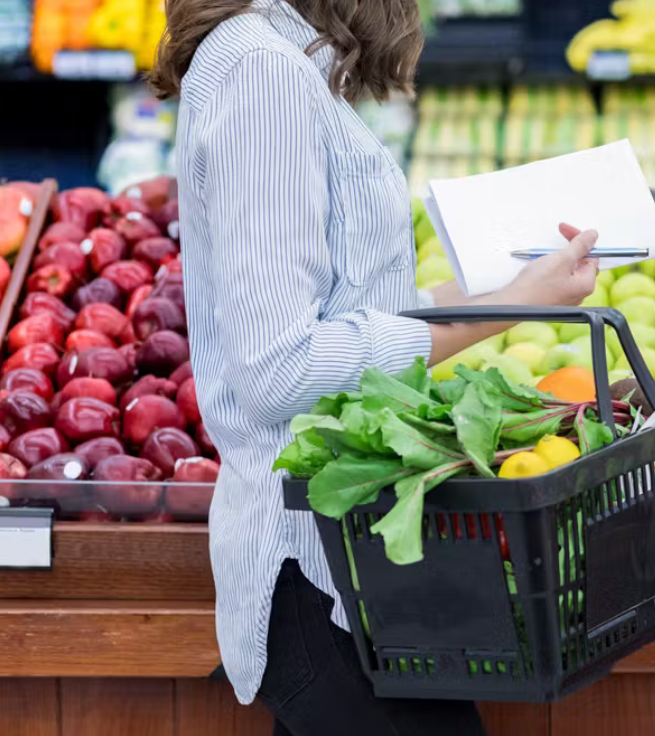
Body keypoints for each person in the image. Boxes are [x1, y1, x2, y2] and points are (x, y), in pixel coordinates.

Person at [149, 1, 599, 733]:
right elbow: (280, 368)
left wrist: (516, 293)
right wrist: (502, 309)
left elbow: (358, 309)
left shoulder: (284, 64)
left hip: (359, 567)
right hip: (316, 574)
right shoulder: (263, 74)